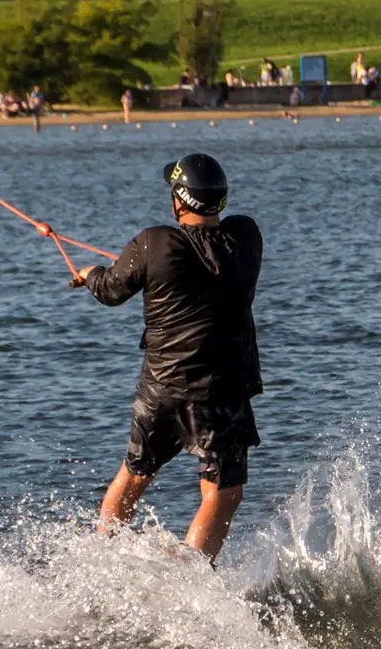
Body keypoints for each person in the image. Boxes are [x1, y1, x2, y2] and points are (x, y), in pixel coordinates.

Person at [71, 154, 263, 563]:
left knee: (134, 474)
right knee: (221, 493)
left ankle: (101, 560)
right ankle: (192, 578)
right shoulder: (247, 237)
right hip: (219, 395)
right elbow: (207, 255)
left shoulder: (154, 243)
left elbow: (110, 290)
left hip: (161, 390)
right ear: (221, 200)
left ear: (178, 201)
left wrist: (89, 274)